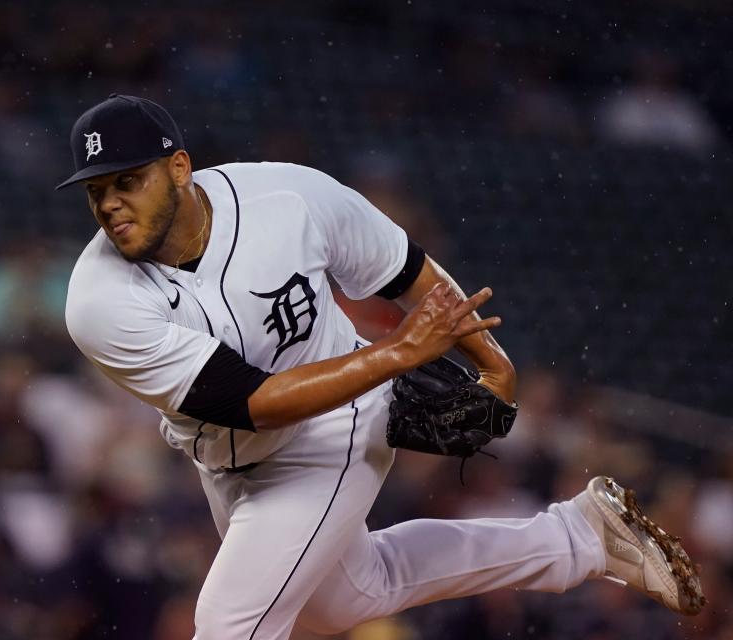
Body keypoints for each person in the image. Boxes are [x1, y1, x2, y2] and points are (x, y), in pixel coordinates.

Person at [58, 94, 704, 639]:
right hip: (236, 454)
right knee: (356, 594)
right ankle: (581, 539)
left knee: (230, 625)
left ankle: (579, 542)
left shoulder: (286, 197)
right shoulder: (99, 302)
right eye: (96, 191)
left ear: (177, 169)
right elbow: (253, 401)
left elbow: (404, 270)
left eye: (126, 180)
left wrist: (492, 361)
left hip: (335, 429)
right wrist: (398, 353)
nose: (110, 203)